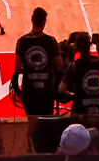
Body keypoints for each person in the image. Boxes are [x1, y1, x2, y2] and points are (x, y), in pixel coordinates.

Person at [11, 8, 62, 136]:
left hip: (30, 91)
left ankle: (31, 151)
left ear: (32, 20)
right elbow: (59, 66)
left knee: (32, 122)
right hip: (47, 90)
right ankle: (47, 152)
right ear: (44, 22)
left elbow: (17, 68)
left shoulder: (21, 42)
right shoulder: (51, 41)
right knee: (46, 123)